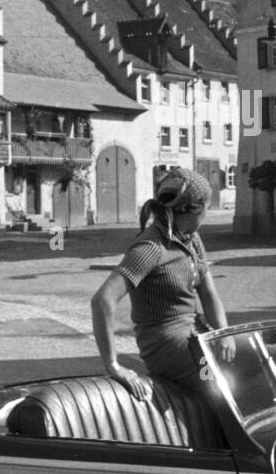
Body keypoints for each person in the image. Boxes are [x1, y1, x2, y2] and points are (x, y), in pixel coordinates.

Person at [91, 167, 233, 402]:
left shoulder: (191, 239)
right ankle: (232, 439)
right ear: (194, 209)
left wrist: (224, 334)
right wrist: (113, 365)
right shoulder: (150, 248)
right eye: (207, 208)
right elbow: (102, 300)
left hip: (196, 334)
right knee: (221, 385)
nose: (207, 215)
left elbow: (208, 294)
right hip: (165, 346)